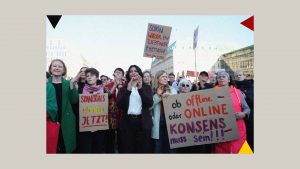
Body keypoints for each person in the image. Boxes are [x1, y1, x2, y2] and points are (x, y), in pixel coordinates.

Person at [117, 65, 153, 153]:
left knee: (142, 149)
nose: (133, 72)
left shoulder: (146, 88)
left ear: (139, 73)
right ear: (128, 74)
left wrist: (140, 88)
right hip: (128, 122)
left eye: (135, 71)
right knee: (128, 148)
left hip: (142, 122)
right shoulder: (124, 89)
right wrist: (128, 89)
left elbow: (149, 103)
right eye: (131, 71)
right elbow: (120, 105)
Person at [213, 71, 251, 154]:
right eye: (219, 77)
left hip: (238, 131)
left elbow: (247, 109)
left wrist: (243, 114)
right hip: (221, 131)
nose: (221, 78)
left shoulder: (237, 92)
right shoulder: (211, 94)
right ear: (217, 80)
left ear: (228, 80)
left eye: (224, 76)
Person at [47, 59, 79, 153]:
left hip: (66, 119)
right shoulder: (45, 83)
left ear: (64, 70)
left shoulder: (68, 83)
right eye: (54, 66)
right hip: (50, 119)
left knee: (64, 147)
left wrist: (72, 87)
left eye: (60, 66)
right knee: (50, 147)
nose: (57, 68)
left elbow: (74, 100)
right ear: (50, 69)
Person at [76, 68, 107, 153]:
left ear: (97, 77)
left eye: (92, 75)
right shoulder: (81, 89)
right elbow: (76, 103)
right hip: (85, 127)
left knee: (98, 149)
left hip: (99, 127)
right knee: (86, 149)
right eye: (87, 76)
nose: (89, 77)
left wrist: (99, 97)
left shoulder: (104, 89)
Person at [151, 70, 177, 153]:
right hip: (158, 121)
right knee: (158, 147)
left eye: (166, 77)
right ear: (158, 78)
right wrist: (158, 96)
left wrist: (169, 97)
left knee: (170, 147)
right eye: (163, 77)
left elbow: (177, 103)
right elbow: (149, 107)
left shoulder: (172, 89)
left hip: (170, 120)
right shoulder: (152, 90)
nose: (166, 78)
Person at [104, 68, 126, 153]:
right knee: (110, 137)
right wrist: (115, 84)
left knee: (122, 137)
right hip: (111, 116)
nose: (117, 74)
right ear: (113, 74)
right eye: (116, 73)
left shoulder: (126, 85)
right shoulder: (108, 85)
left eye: (119, 73)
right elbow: (107, 96)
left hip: (123, 115)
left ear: (122, 76)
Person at [234, 70, 254, 151]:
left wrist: (245, 97)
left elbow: (253, 101)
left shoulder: (250, 86)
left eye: (240, 75)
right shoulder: (233, 87)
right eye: (236, 75)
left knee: (248, 137)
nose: (238, 76)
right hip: (236, 117)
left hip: (248, 117)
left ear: (244, 76)